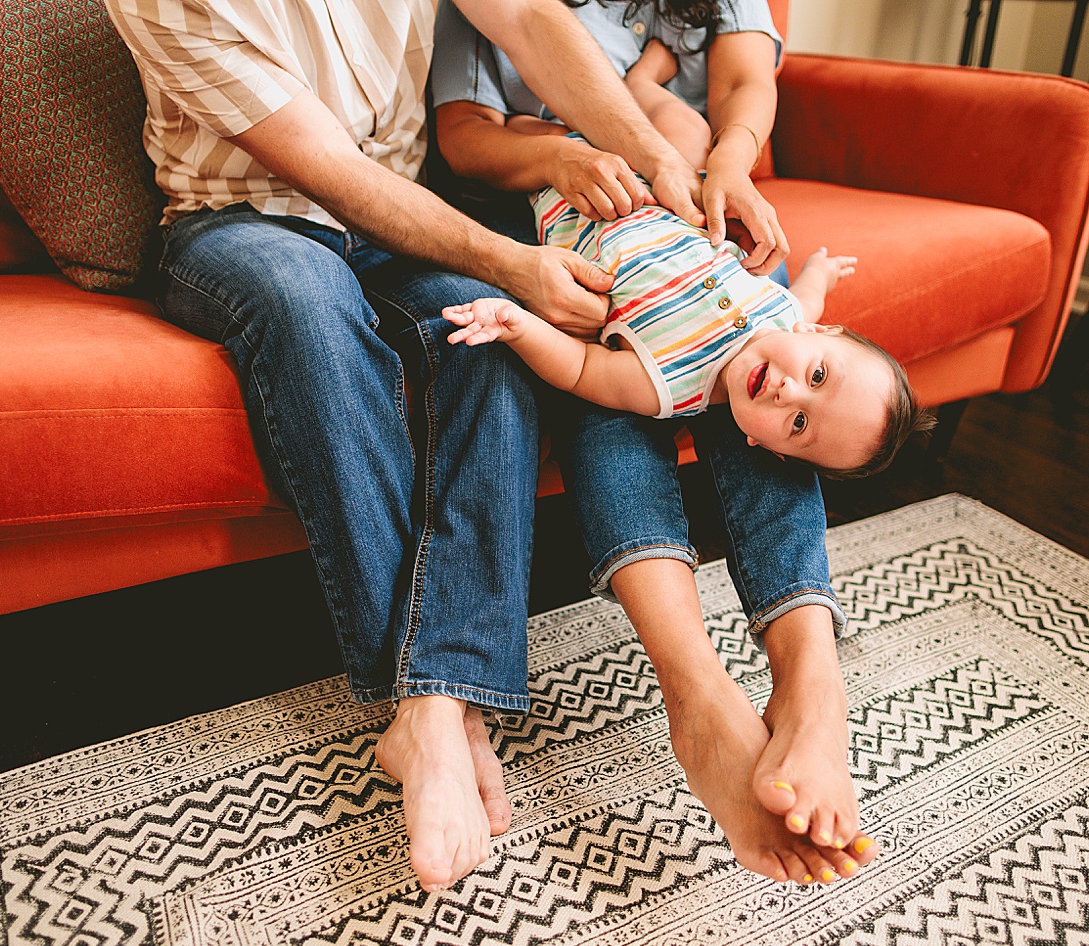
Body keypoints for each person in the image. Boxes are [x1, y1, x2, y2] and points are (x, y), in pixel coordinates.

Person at [104, 0, 712, 894]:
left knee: (493, 341)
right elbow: (335, 177)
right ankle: (433, 710)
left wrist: (658, 156)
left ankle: (432, 706)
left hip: (399, 221)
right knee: (309, 311)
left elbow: (534, 21)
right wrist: (513, 264)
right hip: (238, 222)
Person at [433, 0, 923, 885]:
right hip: (565, 214)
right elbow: (468, 137)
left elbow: (743, 83)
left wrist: (721, 169)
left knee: (766, 410)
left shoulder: (792, 350)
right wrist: (580, 157)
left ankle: (811, 677)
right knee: (639, 388)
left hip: (692, 208)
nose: (797, 386)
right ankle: (696, 691)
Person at [442, 133, 930, 476]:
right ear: (821, 334)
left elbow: (580, 368)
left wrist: (517, 326)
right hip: (652, 184)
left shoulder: (669, 387)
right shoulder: (789, 316)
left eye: (799, 424)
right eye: (818, 376)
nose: (789, 392)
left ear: (766, 447)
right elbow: (808, 300)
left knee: (515, 133)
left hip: (562, 199)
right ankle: (647, 73)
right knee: (686, 127)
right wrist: (819, 272)